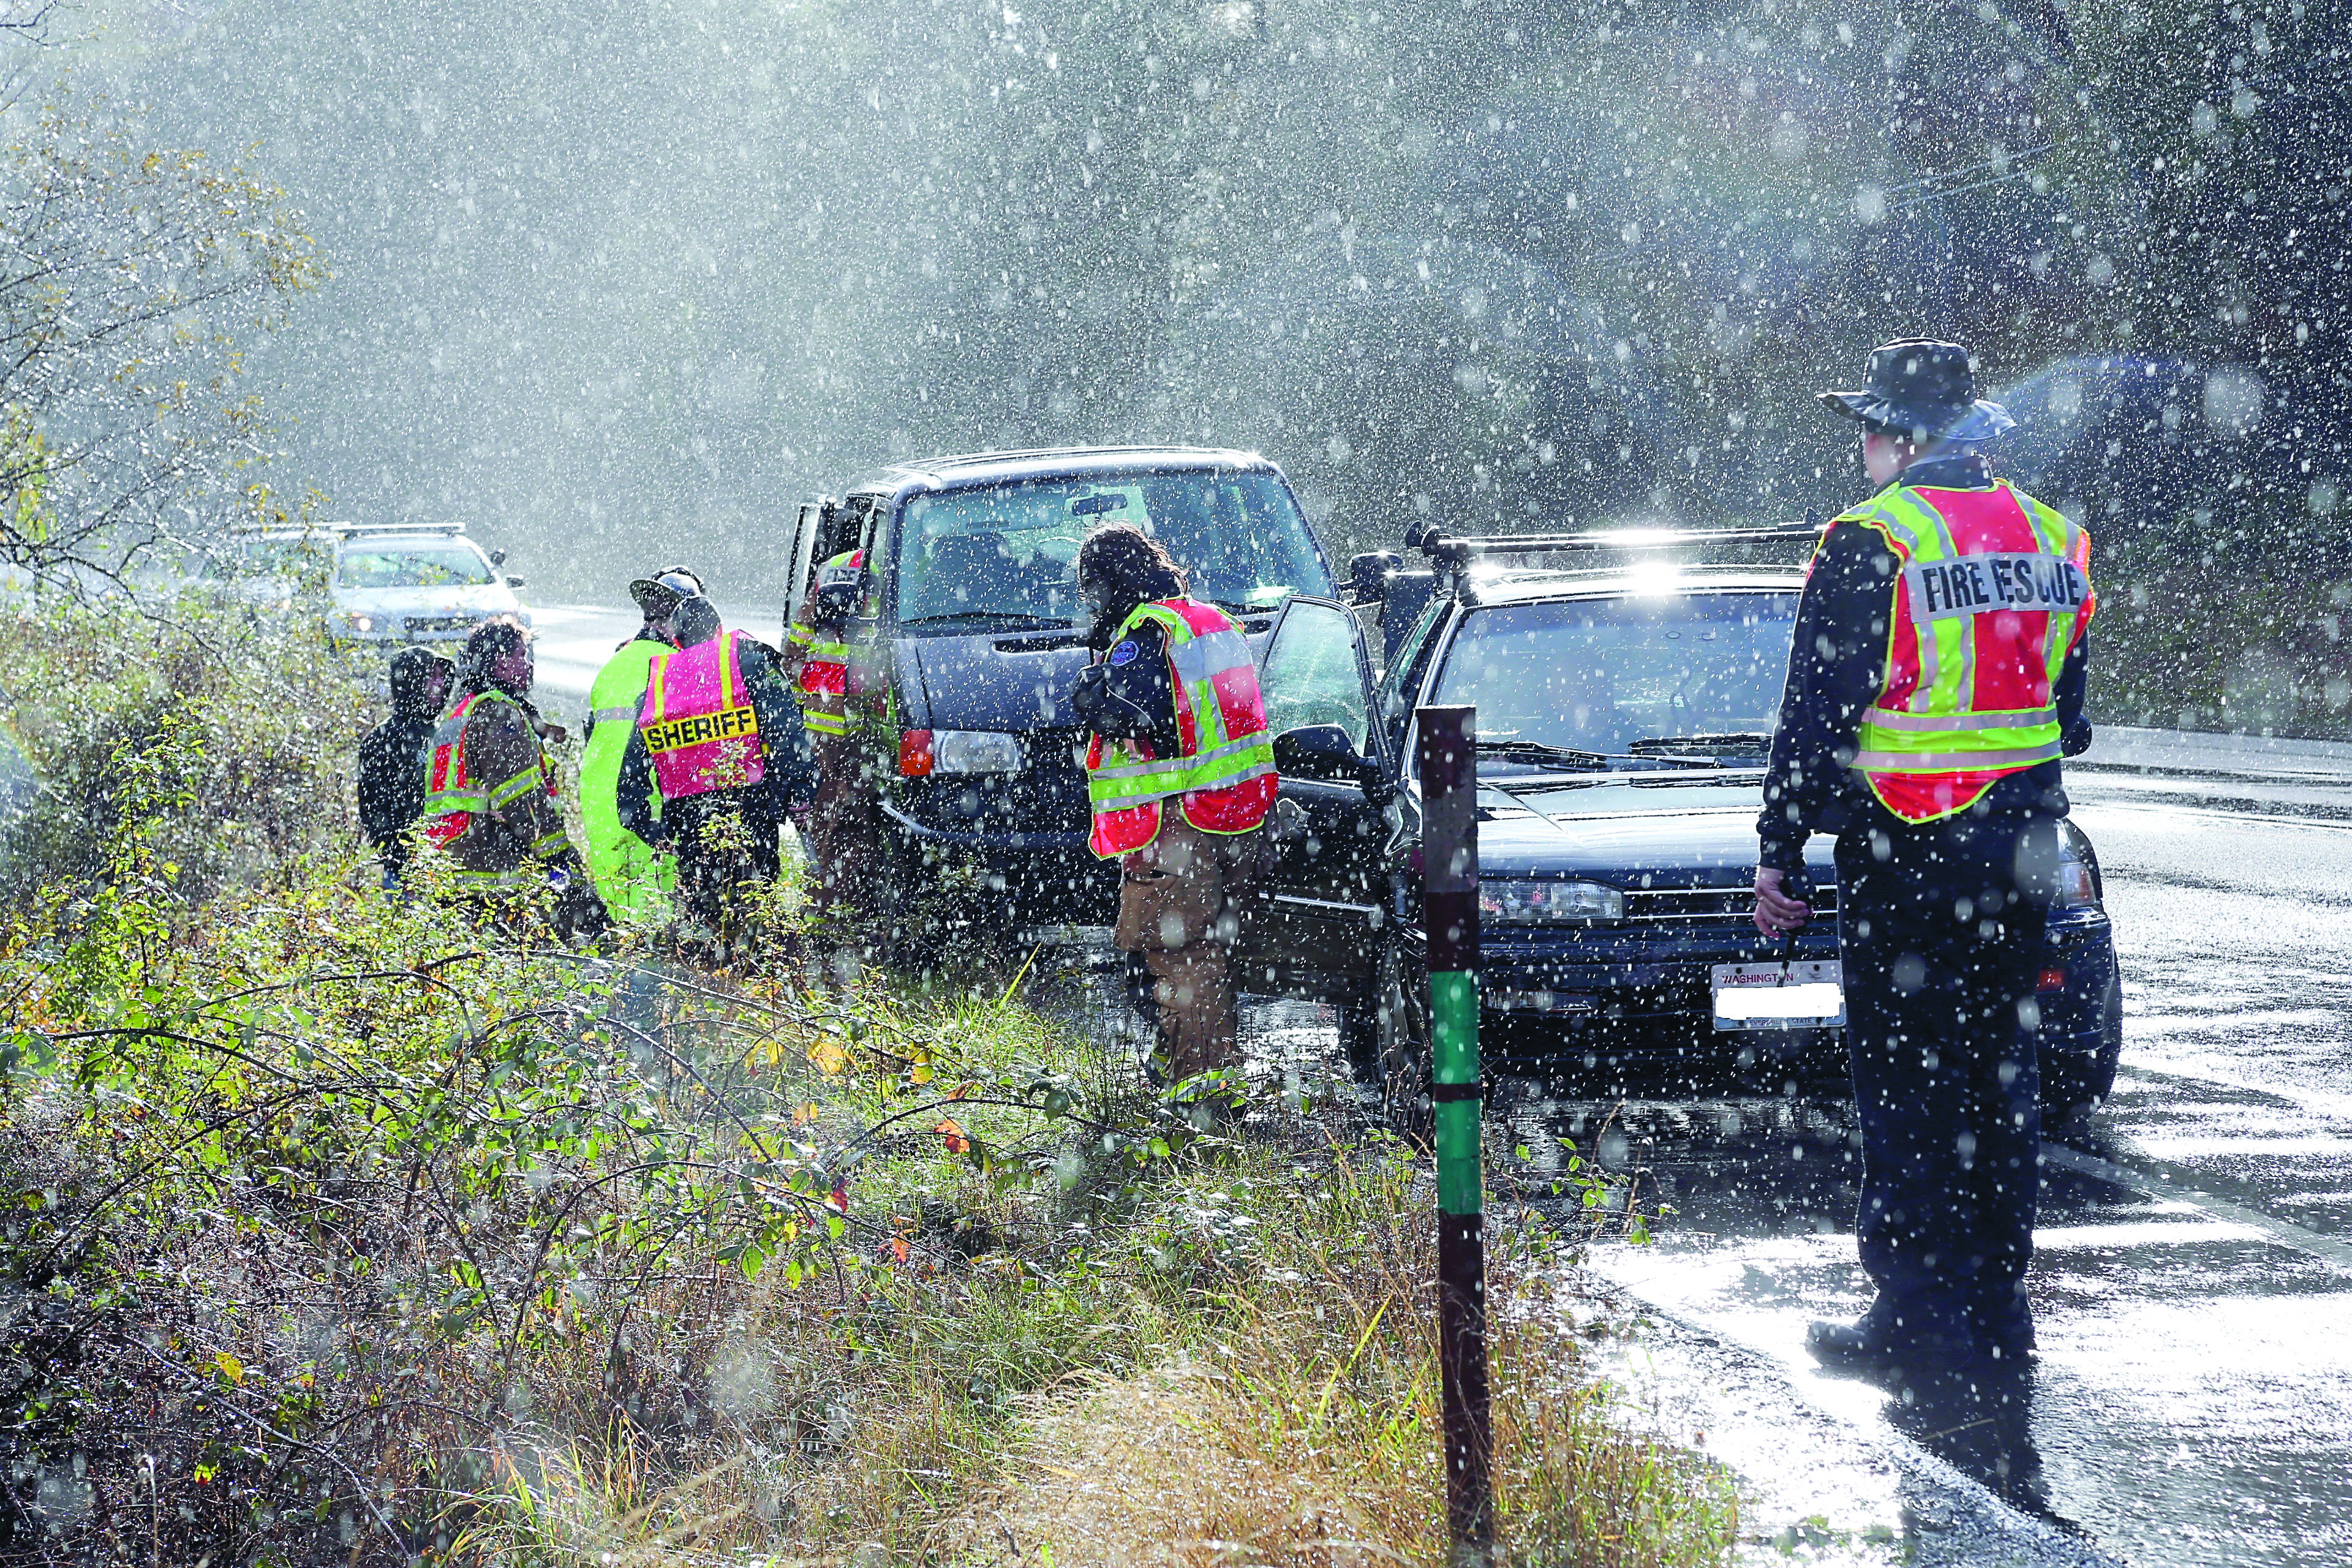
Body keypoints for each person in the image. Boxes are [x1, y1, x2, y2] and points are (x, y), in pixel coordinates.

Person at [1751, 339, 2095, 1381]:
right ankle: (1996, 1297)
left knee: (1905, 1084)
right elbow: (2069, 721)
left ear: (1898, 439)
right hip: (2024, 854)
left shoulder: (1873, 540)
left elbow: (1815, 716)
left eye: (1866, 428)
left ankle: (1907, 1310)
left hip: (1907, 855)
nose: (1860, 447)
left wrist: (1782, 851)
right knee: (2001, 1078)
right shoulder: (2053, 538)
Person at [1069, 524, 1276, 1080]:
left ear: (1114, 582)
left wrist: (1093, 696)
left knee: (1182, 961)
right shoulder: (1210, 621)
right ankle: (1205, 1075)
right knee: (1210, 956)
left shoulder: (1147, 632)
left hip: (1178, 824)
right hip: (1239, 815)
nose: (1093, 604)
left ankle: (1201, 1092)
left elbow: (1138, 716)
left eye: (1094, 589)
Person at [617, 592, 815, 940]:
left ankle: (706, 974)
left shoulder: (659, 683)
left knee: (701, 919)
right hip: (752, 812)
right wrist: (799, 793)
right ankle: (754, 974)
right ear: (719, 629)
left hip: (690, 826)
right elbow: (788, 733)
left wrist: (648, 826)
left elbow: (633, 767)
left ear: (675, 641)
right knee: (757, 908)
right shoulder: (748, 659)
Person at [417, 615, 608, 938]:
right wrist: (563, 862)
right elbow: (521, 800)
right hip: (489, 870)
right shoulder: (497, 713)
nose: (529, 664)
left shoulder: (461, 712)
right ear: (500, 663)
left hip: (450, 865)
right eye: (522, 655)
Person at [581, 567, 699, 922]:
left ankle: (611, 972)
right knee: (654, 915)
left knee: (619, 906)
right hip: (645, 802)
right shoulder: (673, 667)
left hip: (600, 800)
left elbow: (593, 733)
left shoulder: (615, 662)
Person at [783, 546, 878, 913]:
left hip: (824, 731)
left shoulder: (833, 570)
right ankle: (845, 914)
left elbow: (794, 652)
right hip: (862, 734)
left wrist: (798, 716)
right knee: (857, 828)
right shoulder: (909, 572)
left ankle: (830, 911)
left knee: (828, 830)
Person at [356, 646, 453, 886]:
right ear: (411, 681)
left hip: (446, 865)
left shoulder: (444, 735)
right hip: (405, 871)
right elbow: (373, 809)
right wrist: (400, 854)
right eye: (431, 676)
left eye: (441, 676)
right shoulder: (382, 740)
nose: (438, 684)